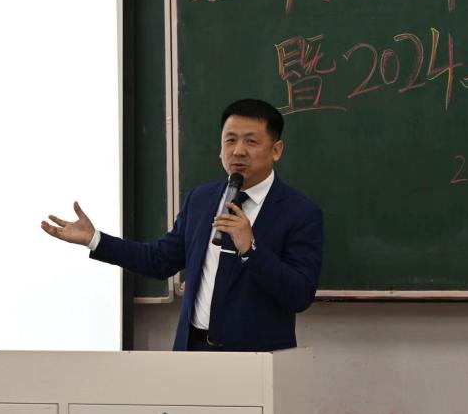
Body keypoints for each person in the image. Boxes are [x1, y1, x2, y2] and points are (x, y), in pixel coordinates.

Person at [41, 98, 322, 352]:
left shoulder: (300, 213)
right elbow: (160, 261)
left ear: (276, 150)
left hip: (257, 361)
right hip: (192, 352)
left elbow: (299, 295)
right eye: (230, 140)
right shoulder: (201, 200)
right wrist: (95, 239)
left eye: (251, 141)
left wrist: (251, 249)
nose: (238, 151)